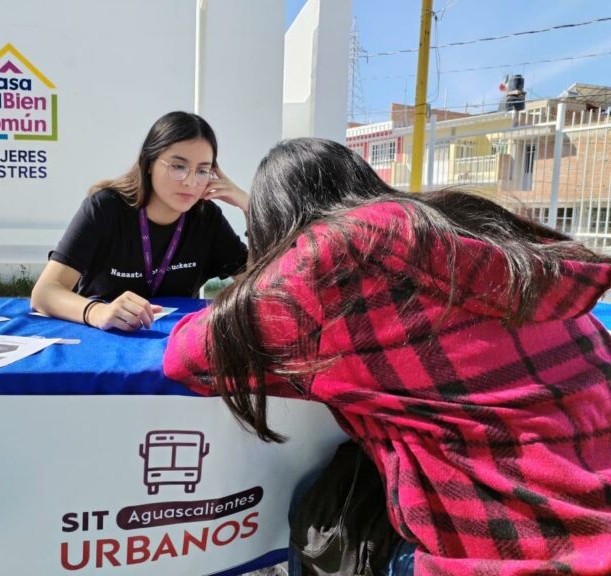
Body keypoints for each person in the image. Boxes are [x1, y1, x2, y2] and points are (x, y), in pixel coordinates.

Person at [163, 137, 611, 575]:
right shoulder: (464, 226)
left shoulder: (331, 263)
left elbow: (189, 355)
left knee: (318, 510)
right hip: (591, 515)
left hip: (511, 554)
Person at [31, 111, 248, 332]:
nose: (191, 182)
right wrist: (98, 312)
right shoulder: (106, 207)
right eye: (178, 166)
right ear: (150, 163)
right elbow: (44, 292)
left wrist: (250, 207)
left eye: (202, 170)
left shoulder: (206, 217)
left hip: (173, 344)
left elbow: (260, 286)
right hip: (101, 339)